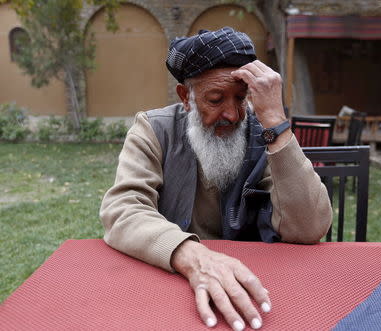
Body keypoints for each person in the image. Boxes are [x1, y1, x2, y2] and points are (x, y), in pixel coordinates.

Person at [100, 27, 332, 331]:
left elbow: (310, 227)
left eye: (240, 98)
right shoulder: (155, 130)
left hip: (257, 283)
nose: (233, 114)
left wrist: (276, 123)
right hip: (173, 281)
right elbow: (123, 210)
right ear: (186, 97)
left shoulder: (264, 132)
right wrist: (192, 256)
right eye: (215, 99)